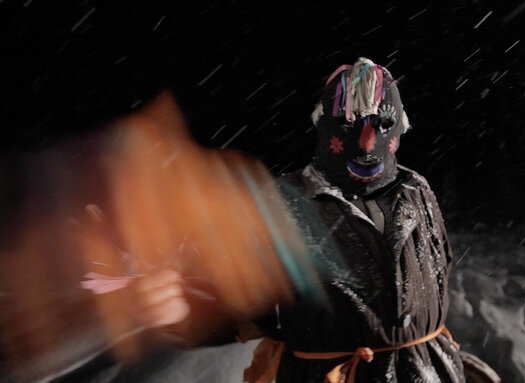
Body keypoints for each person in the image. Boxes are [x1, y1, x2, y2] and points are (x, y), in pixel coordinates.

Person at [133, 57, 466, 383]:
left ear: (401, 126)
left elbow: (436, 276)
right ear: (323, 124)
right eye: (348, 125)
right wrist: (187, 313)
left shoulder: (417, 189)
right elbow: (245, 304)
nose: (367, 141)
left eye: (382, 124)